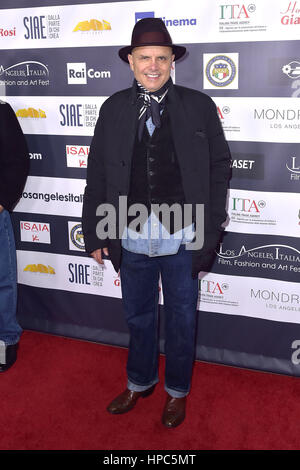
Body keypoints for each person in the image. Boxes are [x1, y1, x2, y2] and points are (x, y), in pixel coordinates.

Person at [82, 18, 231, 428]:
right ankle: (140, 381)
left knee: (183, 318)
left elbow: (220, 168)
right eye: (144, 57)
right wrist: (96, 230)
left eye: (161, 58)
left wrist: (212, 228)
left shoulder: (198, 105)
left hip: (184, 231)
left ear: (171, 62)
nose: (153, 65)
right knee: (138, 316)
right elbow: (96, 172)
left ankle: (176, 392)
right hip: (128, 230)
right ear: (130, 61)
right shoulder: (112, 108)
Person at [0, 100, 29, 372]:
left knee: (2, 280)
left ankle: (5, 339)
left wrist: (2, 201)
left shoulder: (0, 110)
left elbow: (17, 160)